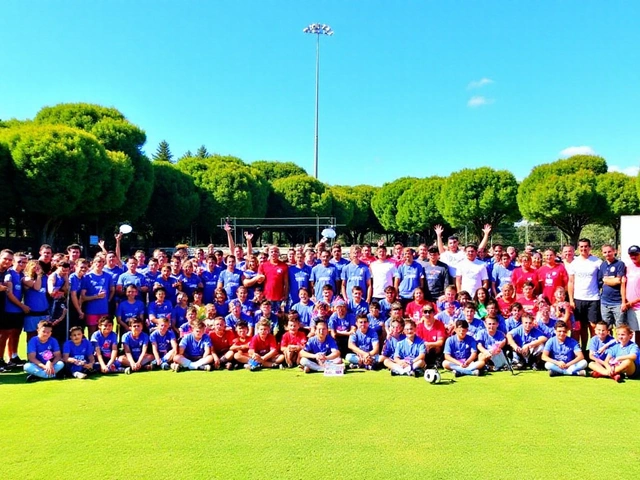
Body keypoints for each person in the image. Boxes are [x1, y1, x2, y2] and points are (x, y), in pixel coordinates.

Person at [567, 238, 602, 348]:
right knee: (580, 327)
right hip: (578, 299)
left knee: (593, 326)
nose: (583, 248)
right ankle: (582, 351)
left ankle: (593, 351)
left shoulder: (597, 261)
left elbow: (603, 279)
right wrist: (571, 300)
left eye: (586, 246)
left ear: (590, 247)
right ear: (578, 248)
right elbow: (571, 282)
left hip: (593, 299)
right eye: (581, 246)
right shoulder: (574, 263)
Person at [81, 255, 114, 337]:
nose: (100, 263)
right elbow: (83, 296)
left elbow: (112, 289)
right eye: (98, 261)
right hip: (91, 310)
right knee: (92, 333)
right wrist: (96, 297)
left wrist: (108, 300)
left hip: (103, 309)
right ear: (93, 263)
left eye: (102, 261)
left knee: (104, 332)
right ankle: (92, 349)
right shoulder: (87, 277)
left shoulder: (108, 276)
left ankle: (102, 349)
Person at [599, 244, 625, 329]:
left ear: (614, 251)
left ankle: (620, 343)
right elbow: (600, 281)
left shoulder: (620, 264)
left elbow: (618, 281)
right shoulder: (602, 265)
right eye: (605, 252)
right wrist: (611, 280)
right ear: (602, 253)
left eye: (609, 251)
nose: (607, 254)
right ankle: (609, 343)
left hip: (617, 302)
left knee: (620, 327)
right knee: (606, 328)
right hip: (605, 302)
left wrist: (606, 280)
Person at [256, 245, 289, 314]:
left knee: (279, 317)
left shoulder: (284, 266)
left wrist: (285, 296)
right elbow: (259, 281)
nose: (274, 253)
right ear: (268, 253)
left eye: (276, 251)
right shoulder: (263, 265)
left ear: (279, 253)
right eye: (272, 252)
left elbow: (286, 282)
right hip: (267, 297)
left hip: (279, 298)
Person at [622, 245, 640, 342]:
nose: (633, 256)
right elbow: (623, 284)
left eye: (636, 254)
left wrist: (631, 303)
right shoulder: (628, 267)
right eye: (631, 254)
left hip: (637, 306)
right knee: (633, 332)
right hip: (630, 307)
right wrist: (625, 302)